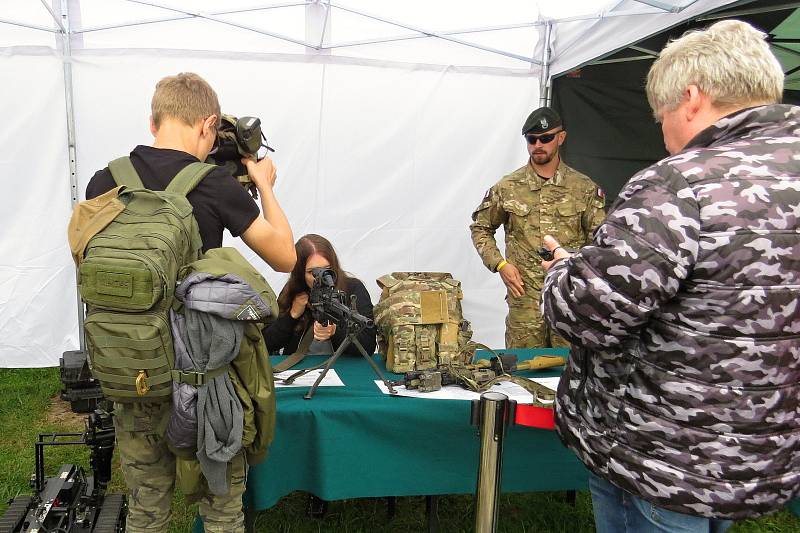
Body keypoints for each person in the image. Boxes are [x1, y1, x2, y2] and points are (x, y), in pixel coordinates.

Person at [539, 20, 799, 532]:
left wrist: (565, 269)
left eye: (661, 117)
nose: (664, 133)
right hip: (753, 454)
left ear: (691, 98)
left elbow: (588, 315)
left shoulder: (681, 183)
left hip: (661, 455)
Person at [84, 72, 296, 533]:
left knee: (146, 510)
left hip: (132, 369)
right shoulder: (215, 185)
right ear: (208, 124)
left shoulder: (105, 180)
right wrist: (265, 184)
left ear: (153, 121)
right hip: (206, 378)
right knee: (221, 510)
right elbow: (285, 256)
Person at [470, 106, 605, 349]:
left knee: (569, 371)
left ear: (561, 138)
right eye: (531, 140)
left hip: (569, 298)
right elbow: (481, 227)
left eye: (545, 138)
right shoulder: (508, 187)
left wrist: (585, 282)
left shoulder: (583, 188)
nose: (538, 145)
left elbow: (600, 242)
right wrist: (500, 264)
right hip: (525, 301)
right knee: (523, 374)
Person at [264, 233, 376, 358]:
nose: (321, 278)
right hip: (299, 369)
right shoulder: (295, 292)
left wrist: (336, 331)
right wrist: (292, 316)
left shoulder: (353, 288)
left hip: (342, 368)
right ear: (300, 273)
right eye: (313, 272)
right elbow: (266, 344)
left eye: (327, 269)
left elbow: (368, 346)